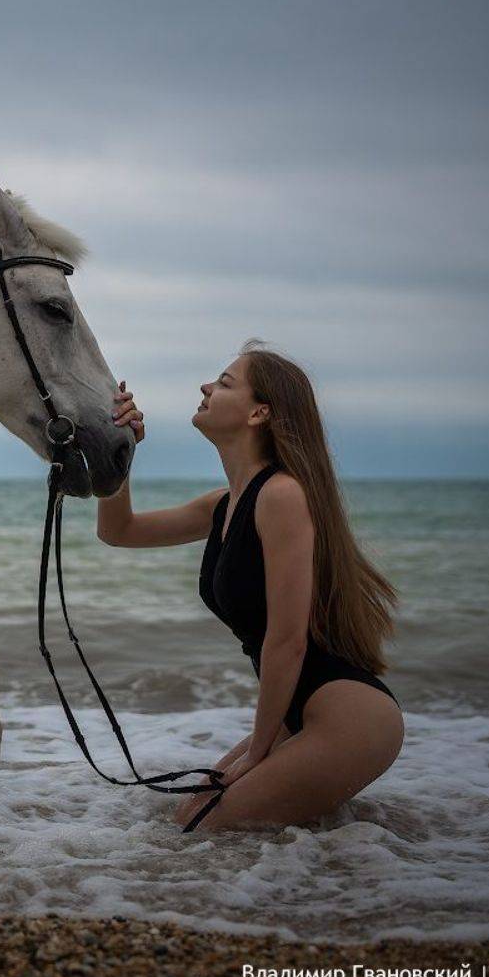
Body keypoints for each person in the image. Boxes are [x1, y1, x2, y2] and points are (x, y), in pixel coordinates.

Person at [97, 340, 403, 831]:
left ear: (260, 412)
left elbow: (288, 640)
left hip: (350, 716)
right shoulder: (225, 502)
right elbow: (119, 532)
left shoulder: (281, 494)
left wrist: (256, 753)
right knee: (191, 815)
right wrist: (120, 448)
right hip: (295, 713)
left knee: (210, 828)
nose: (205, 387)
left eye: (224, 382)